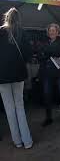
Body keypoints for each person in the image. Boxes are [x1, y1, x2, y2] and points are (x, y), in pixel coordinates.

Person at [0, 8, 33, 149]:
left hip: (2, 75)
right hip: (19, 74)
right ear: (18, 18)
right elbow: (28, 55)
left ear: (6, 17)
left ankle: (17, 141)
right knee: (20, 106)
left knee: (9, 108)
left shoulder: (0, 31)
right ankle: (27, 141)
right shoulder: (22, 32)